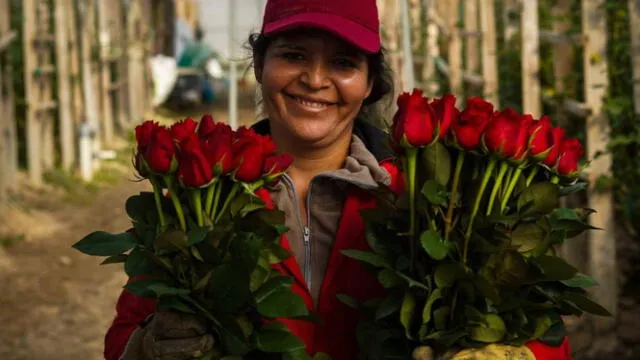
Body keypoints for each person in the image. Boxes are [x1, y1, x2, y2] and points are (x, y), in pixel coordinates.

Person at [104, 1, 572, 360]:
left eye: (343, 63)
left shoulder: (429, 204)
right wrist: (147, 346)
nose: (315, 79)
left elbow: (543, 334)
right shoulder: (200, 197)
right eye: (293, 55)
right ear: (260, 65)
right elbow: (123, 339)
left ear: (370, 83)